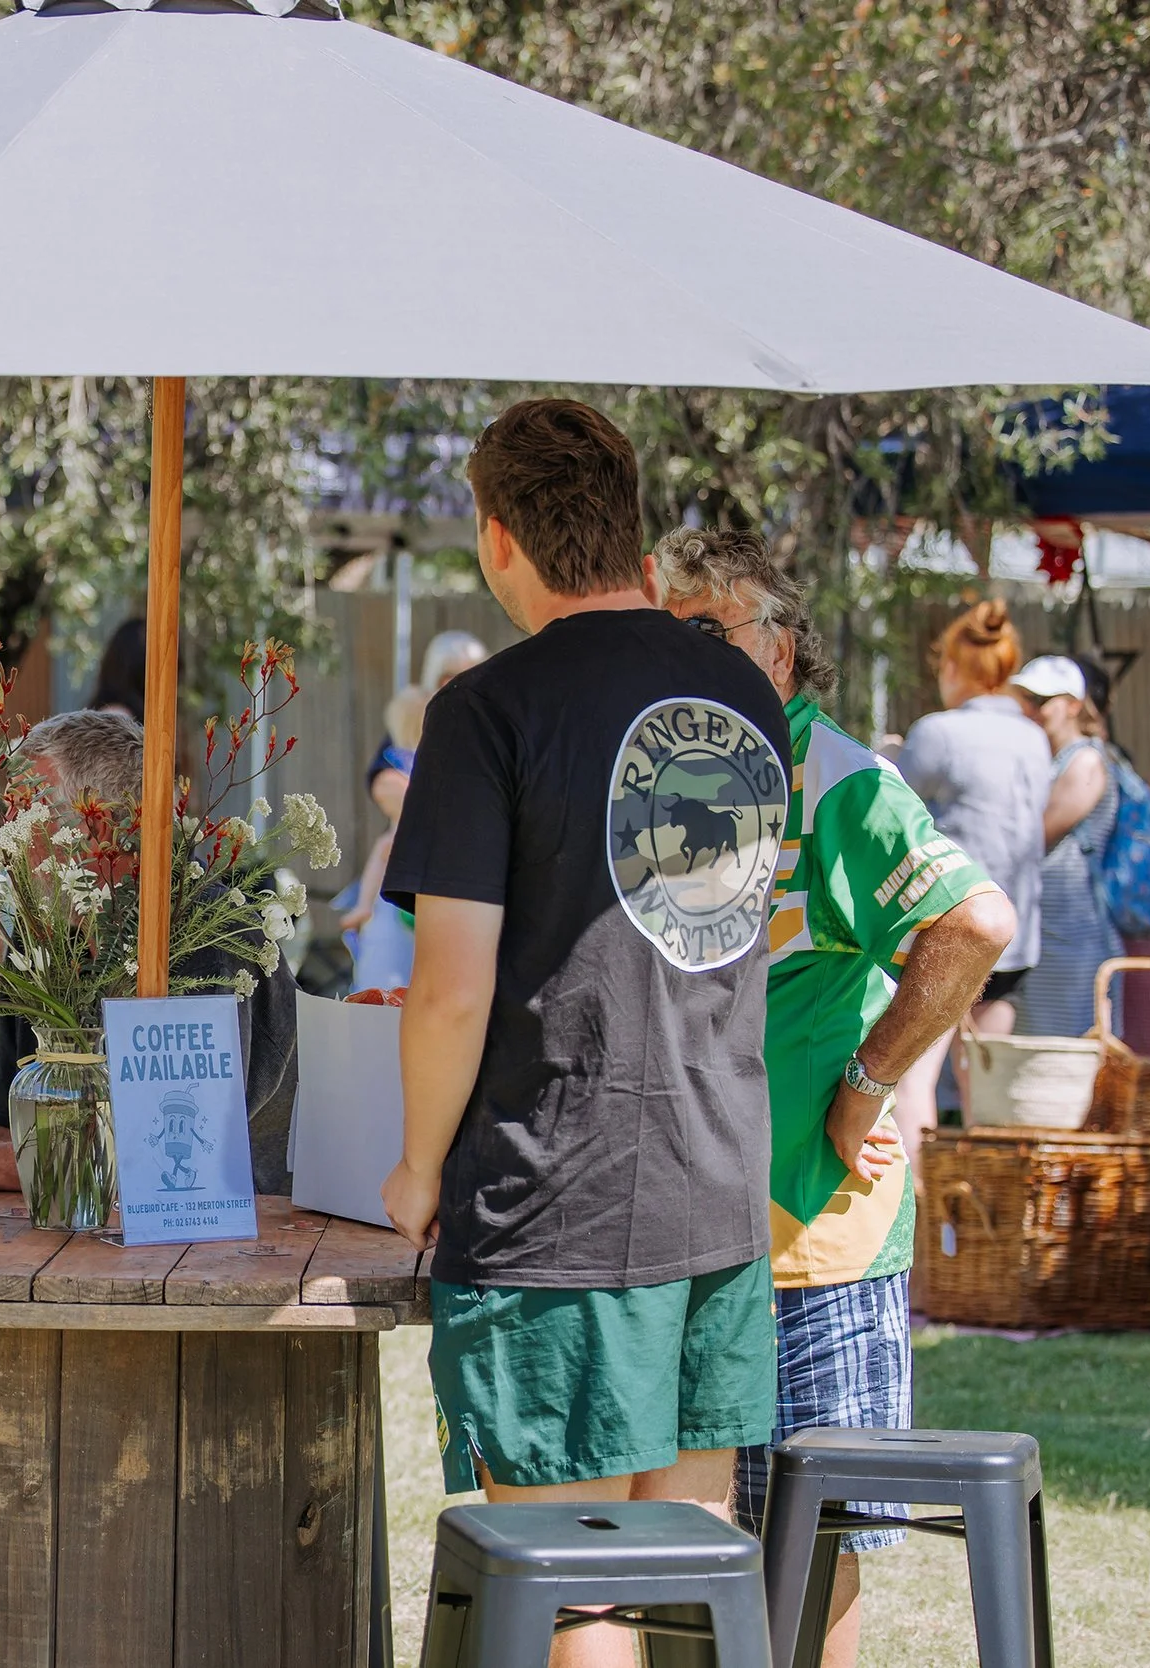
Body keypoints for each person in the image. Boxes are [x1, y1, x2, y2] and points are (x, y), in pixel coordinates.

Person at [377, 400, 788, 1668]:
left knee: (574, 1588)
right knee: (684, 1567)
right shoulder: (742, 689)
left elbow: (450, 990)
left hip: (555, 1190)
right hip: (719, 1180)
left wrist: (415, 1166)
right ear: (632, 533)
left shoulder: (484, 710)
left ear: (498, 536)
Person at [654, 529, 1015, 1668]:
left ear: (781, 646)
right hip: (688, 1221)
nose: (681, 650)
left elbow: (974, 925)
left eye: (707, 628)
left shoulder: (840, 777)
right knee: (686, 1527)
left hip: (815, 1235)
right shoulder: (672, 768)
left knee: (811, 1537)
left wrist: (866, 1087)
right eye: (666, 630)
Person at [0, 708, 299, 1458]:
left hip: (211, 1274)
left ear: (101, 828)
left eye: (22, 815)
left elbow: (154, 1168)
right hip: (75, 1252)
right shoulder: (47, 936)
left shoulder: (205, 931)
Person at [889, 600, 1050, 1162]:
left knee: (911, 1081)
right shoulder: (1034, 738)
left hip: (951, 926)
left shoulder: (939, 732)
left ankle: (923, 1209)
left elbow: (891, 803)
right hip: (1015, 934)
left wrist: (888, 753)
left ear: (954, 667)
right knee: (988, 1088)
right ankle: (988, 1208)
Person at [344, 632, 490, 991]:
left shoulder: (491, 731)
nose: (459, 683)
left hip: (465, 887)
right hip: (407, 877)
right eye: (450, 675)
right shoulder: (416, 722)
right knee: (382, 991)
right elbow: (385, 784)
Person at [1011, 656, 1124, 1038]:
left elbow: (1034, 837)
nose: (1031, 709)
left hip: (1074, 941)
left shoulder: (1086, 760)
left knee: (1072, 1054)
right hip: (1041, 934)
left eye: (1042, 701)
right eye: (1026, 699)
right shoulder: (1044, 760)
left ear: (1074, 705)